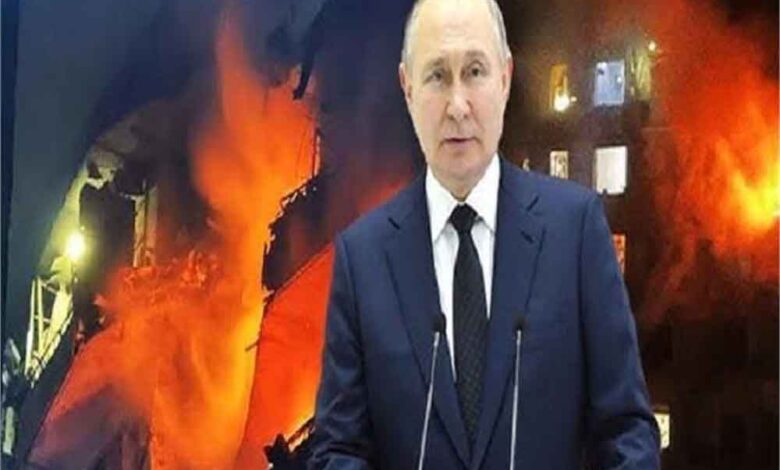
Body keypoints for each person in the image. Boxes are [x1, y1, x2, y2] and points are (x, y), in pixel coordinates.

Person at [310, 0, 660, 468]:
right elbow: (338, 449)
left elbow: (627, 432)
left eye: (474, 72)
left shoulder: (575, 231)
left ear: (505, 78)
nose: (458, 107)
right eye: (437, 76)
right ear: (408, 88)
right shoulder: (362, 259)